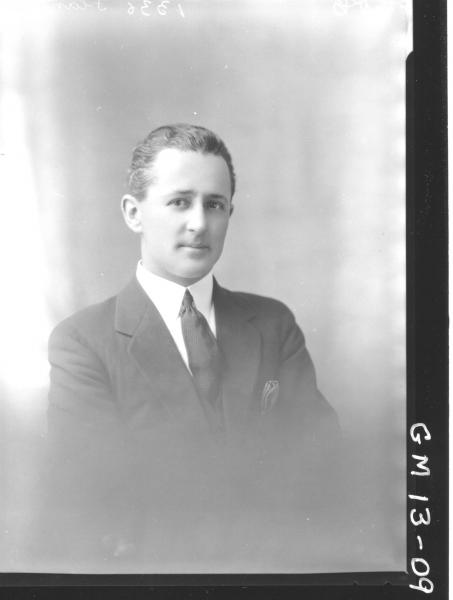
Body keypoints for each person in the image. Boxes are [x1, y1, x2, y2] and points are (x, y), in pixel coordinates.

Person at [44, 124, 340, 571]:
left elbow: (322, 458)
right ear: (133, 213)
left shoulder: (272, 325)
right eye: (180, 201)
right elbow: (94, 495)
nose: (200, 223)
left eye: (215, 204)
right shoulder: (83, 342)